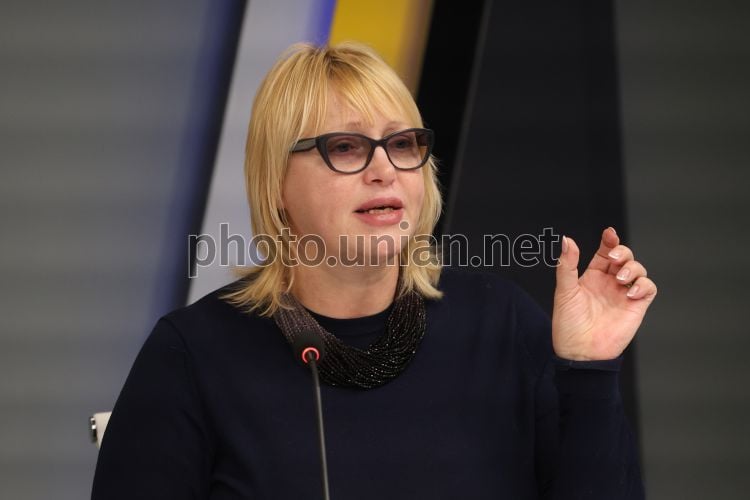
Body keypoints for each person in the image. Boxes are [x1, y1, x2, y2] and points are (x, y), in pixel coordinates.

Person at [91, 42, 657, 499]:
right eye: (345, 147)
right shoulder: (191, 355)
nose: (384, 168)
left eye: (402, 143)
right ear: (276, 183)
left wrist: (588, 369)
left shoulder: (501, 323)